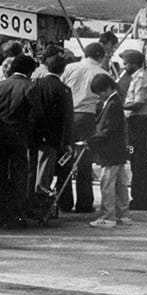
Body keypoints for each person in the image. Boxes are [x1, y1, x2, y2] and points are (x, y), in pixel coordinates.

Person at [0, 54, 41, 229]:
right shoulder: (30, 87)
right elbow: (36, 116)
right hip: (20, 137)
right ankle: (14, 215)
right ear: (30, 70)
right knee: (19, 177)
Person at [60, 42, 109, 214]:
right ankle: (84, 202)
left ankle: (63, 201)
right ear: (100, 56)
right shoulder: (102, 72)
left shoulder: (70, 68)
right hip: (87, 116)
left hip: (67, 114)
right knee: (84, 161)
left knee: (65, 158)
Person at [86, 72, 131, 229]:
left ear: (107, 89)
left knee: (107, 184)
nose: (100, 97)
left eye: (100, 93)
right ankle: (123, 214)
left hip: (110, 151)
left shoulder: (112, 104)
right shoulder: (115, 102)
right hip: (117, 151)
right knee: (120, 184)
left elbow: (107, 130)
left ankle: (108, 216)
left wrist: (89, 141)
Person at [119, 50, 147, 211]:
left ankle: (142, 200)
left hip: (139, 121)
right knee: (137, 162)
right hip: (135, 122)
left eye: (126, 63)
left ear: (135, 64)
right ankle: (139, 198)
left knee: (140, 162)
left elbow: (138, 103)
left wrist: (118, 105)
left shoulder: (141, 77)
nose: (124, 66)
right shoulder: (136, 77)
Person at [30, 54, 74, 201]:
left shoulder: (35, 83)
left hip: (34, 134)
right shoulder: (64, 89)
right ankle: (41, 197)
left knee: (32, 168)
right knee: (45, 171)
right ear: (63, 70)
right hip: (52, 136)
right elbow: (67, 117)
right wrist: (67, 141)